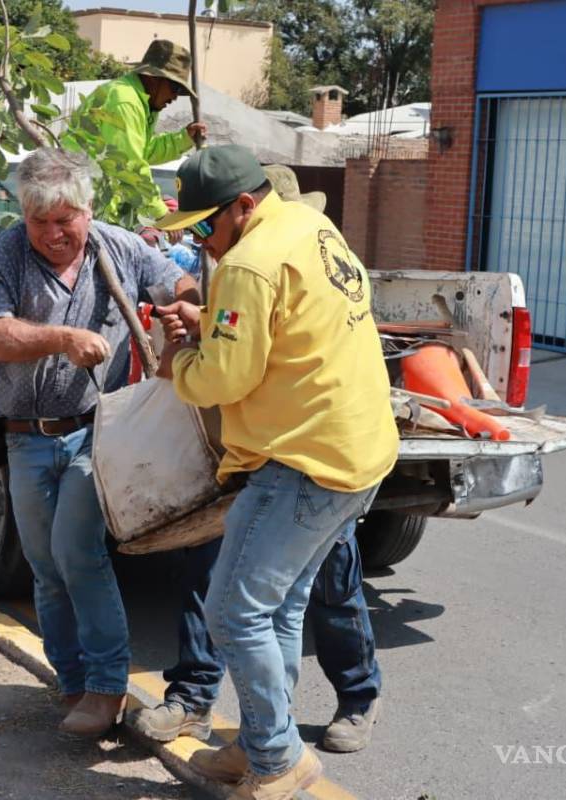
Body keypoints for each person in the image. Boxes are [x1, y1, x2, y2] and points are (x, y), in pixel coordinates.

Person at [151, 146, 399, 799]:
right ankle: (263, 739)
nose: (202, 242)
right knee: (281, 608)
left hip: (304, 462)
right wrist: (213, 327)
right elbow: (283, 336)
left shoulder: (247, 263)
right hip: (359, 453)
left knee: (233, 612)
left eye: (207, 227)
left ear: (244, 206)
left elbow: (225, 377)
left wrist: (177, 363)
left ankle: (277, 757)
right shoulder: (312, 230)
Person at [0, 148, 199, 738]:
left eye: (63, 220)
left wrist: (181, 308)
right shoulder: (6, 253)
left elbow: (181, 283)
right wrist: (61, 337)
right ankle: (70, 681)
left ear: (87, 210)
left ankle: (105, 687)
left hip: (97, 433)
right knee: (45, 568)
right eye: (38, 222)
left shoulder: (118, 246)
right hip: (23, 439)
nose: (51, 234)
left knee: (79, 554)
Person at [63, 39, 208, 222]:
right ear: (153, 78)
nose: (174, 97)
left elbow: (142, 151)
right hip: (82, 206)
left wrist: (183, 139)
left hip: (93, 205)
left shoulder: (143, 101)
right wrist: (161, 214)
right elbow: (130, 166)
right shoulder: (126, 102)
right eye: (175, 88)